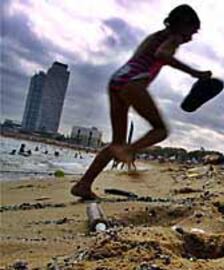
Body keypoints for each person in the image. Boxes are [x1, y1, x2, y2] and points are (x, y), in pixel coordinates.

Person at [71, 4, 212, 199]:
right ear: (183, 24)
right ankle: (127, 152)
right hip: (133, 82)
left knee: (116, 142)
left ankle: (83, 184)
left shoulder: (155, 36)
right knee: (160, 130)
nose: (190, 38)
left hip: (117, 81)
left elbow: (153, 54)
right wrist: (195, 73)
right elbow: (162, 55)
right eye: (192, 31)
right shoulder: (174, 38)